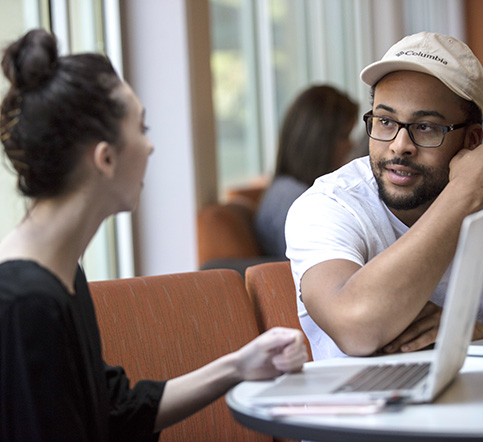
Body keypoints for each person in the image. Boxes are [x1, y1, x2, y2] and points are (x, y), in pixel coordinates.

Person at [0, 29, 307, 441]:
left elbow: (118, 412)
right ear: (105, 158)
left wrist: (237, 366)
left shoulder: (58, 274)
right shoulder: (27, 303)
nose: (149, 147)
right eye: (141, 128)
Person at [285, 32, 483, 361]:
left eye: (425, 127)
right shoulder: (327, 205)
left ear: (471, 140)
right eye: (384, 121)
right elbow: (356, 329)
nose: (399, 145)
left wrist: (473, 338)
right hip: (352, 409)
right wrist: (465, 196)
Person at [254, 85, 358, 258]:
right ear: (319, 141)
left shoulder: (290, 190)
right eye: (344, 136)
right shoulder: (293, 200)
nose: (351, 145)